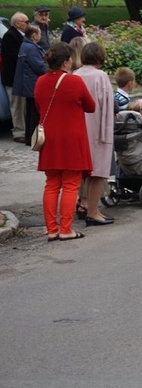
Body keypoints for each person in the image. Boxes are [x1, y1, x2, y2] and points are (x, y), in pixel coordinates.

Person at [35, 42, 95, 241]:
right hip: (72, 139)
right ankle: (66, 229)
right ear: (67, 62)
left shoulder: (40, 82)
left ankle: (52, 229)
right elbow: (91, 106)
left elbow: (38, 105)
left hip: (49, 139)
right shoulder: (74, 82)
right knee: (70, 184)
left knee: (51, 184)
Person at [74, 42, 115, 226]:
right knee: (98, 173)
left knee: (84, 173)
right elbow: (107, 106)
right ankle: (93, 211)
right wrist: (108, 133)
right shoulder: (100, 76)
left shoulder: (76, 74)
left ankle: (92, 208)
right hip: (98, 129)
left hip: (79, 129)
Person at [12, 25, 47, 146]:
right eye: (39, 34)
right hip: (32, 83)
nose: (40, 36)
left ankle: (29, 137)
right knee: (34, 112)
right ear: (34, 36)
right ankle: (33, 138)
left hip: (28, 82)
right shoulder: (31, 48)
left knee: (30, 111)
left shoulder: (25, 45)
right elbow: (39, 66)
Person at [1, 12, 29, 143]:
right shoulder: (10, 36)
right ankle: (19, 132)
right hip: (13, 78)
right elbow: (16, 55)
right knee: (16, 106)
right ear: (18, 24)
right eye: (26, 21)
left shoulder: (20, 35)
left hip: (20, 77)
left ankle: (23, 130)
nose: (28, 24)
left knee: (22, 105)